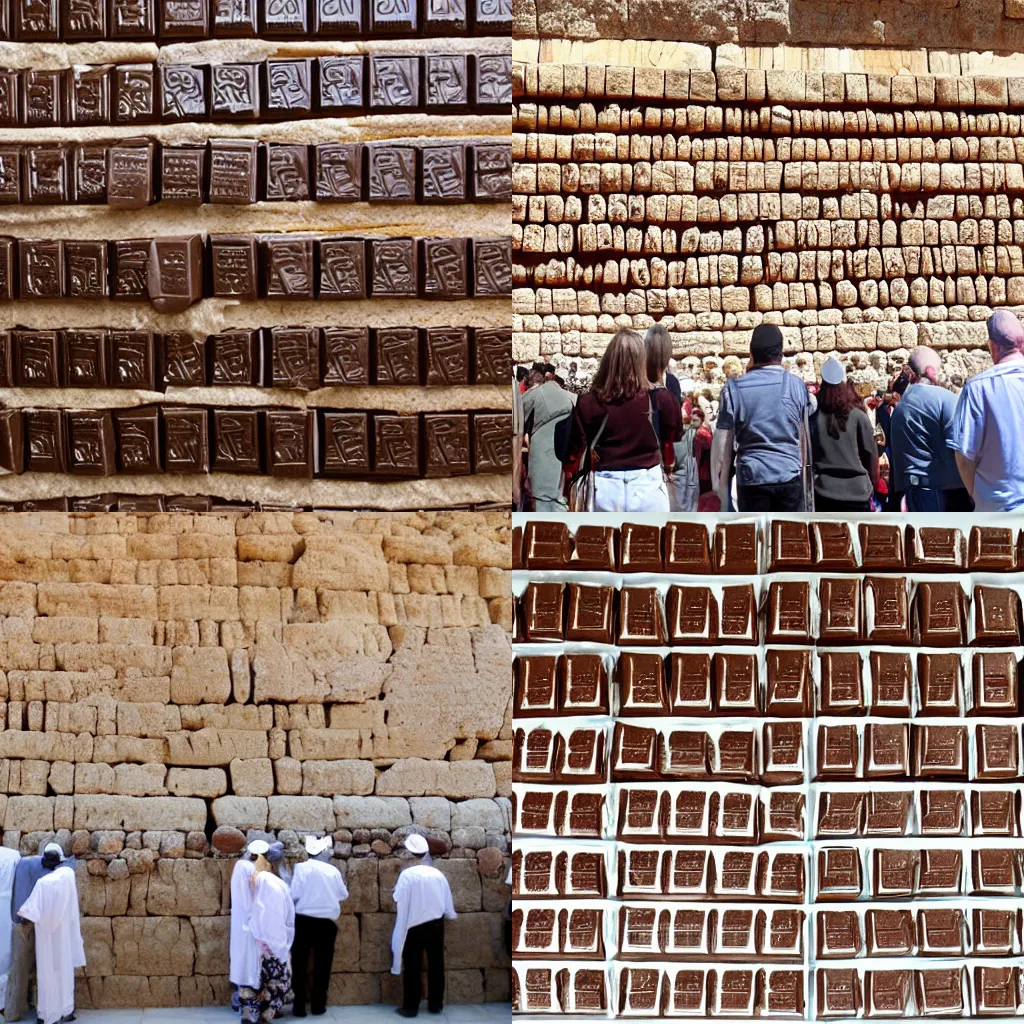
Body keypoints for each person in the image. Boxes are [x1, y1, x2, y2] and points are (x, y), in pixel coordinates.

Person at [563, 328, 681, 512]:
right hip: (648, 486)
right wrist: (669, 468)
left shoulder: (589, 402)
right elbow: (670, 443)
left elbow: (573, 452)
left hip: (604, 488)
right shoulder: (662, 399)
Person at [711, 324, 811, 511]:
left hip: (752, 479)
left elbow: (721, 444)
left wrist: (720, 487)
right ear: (780, 354)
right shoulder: (797, 386)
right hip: (789, 476)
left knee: (755, 538)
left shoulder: (733, 390)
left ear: (752, 354)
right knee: (786, 538)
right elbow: (803, 438)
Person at [950, 309, 1024, 510]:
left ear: (992, 347)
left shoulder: (977, 388)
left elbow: (964, 455)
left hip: (998, 512)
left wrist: (977, 495)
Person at [888, 346, 973, 511]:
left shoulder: (900, 406)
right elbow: (959, 448)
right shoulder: (946, 399)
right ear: (931, 371)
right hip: (941, 494)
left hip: (907, 494)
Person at [391, 834, 457, 1018]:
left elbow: (398, 898)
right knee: (436, 964)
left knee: (412, 966)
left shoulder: (407, 875)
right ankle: (436, 1005)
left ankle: (410, 1007)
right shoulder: (438, 874)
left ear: (410, 853)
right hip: (436, 924)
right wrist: (450, 914)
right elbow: (447, 902)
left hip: (413, 926)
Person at [16, 845, 84, 1024]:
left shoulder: (42, 884)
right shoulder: (68, 876)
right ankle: (66, 1009)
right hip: (64, 935)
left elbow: (29, 911)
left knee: (47, 974)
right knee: (64, 969)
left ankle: (47, 1015)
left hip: (46, 935)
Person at [290, 835, 349, 1018]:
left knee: (299, 964)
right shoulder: (333, 871)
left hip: (303, 921)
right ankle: (318, 1005)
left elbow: (294, 894)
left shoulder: (301, 868)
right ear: (323, 852)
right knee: (323, 966)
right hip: (326, 924)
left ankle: (299, 1006)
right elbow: (343, 895)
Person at [808, 358, 879, 511]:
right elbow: (871, 456)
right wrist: (872, 486)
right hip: (858, 493)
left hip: (825, 492)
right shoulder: (858, 416)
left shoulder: (813, 418)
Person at [241, 845, 296, 1024]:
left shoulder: (249, 880)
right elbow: (288, 914)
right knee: (279, 978)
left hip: (254, 939)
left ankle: (250, 1011)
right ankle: (270, 1011)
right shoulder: (278, 883)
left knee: (252, 977)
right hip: (276, 939)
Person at [522, 368, 574, 510]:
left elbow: (519, 411)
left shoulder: (535, 394)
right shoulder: (569, 397)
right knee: (555, 496)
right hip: (562, 453)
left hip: (544, 452)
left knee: (543, 497)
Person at [230, 840, 265, 1012]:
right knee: (251, 961)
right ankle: (248, 1002)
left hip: (240, 921)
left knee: (240, 958)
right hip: (251, 921)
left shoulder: (239, 866)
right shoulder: (250, 869)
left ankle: (239, 997)